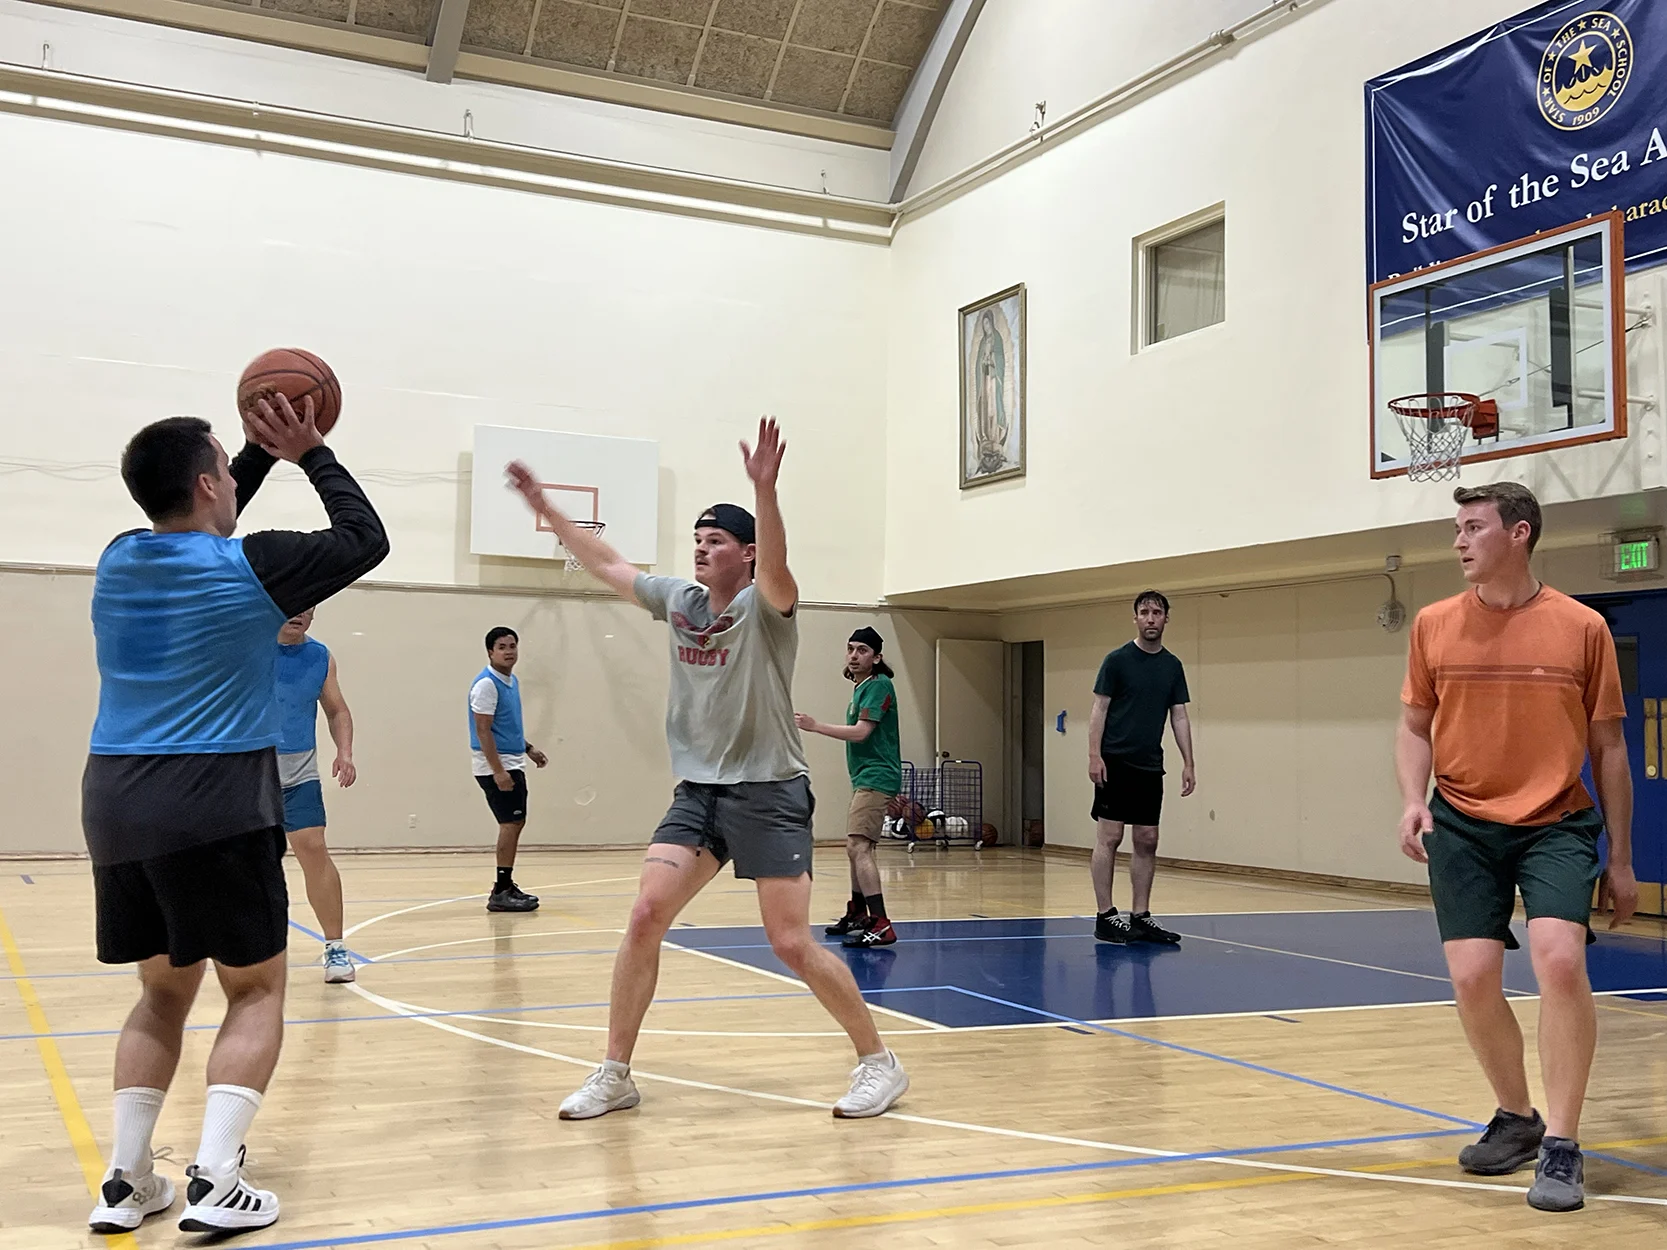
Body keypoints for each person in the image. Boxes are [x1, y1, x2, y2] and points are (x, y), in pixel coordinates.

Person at [505, 417, 908, 1120]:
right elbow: (607, 564)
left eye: (714, 542)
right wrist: (547, 511)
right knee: (642, 916)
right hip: (699, 792)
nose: (700, 551)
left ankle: (879, 1062)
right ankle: (614, 1073)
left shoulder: (766, 609)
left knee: (787, 942)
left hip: (769, 790)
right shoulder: (681, 603)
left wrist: (766, 490)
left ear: (745, 555)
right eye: (695, 542)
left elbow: (780, 569)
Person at [84, 395, 388, 1236]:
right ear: (210, 484)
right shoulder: (251, 567)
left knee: (160, 993)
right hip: (212, 797)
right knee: (254, 989)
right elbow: (366, 539)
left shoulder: (118, 557)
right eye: (226, 469)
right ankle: (216, 1178)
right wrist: (310, 452)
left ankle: (126, 1179)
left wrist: (248, 451)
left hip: (113, 803)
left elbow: (203, 518)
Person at [1396, 482, 1634, 1214]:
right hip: (1462, 822)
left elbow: (1609, 745)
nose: (1459, 542)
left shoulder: (1581, 627)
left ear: (1519, 533)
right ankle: (1516, 1117)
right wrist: (1412, 799)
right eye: (1456, 528)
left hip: (1555, 820)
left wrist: (1620, 860)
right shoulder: (1434, 624)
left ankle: (1561, 1144)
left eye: (1473, 527)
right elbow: (1412, 725)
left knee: (1559, 958)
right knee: (1471, 978)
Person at [1086, 589, 1196, 945]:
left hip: (1150, 765)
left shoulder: (1172, 666)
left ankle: (1141, 915)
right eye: (1144, 612)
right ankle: (1105, 916)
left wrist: (1188, 761)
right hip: (1115, 762)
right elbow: (1099, 709)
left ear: (1166, 619)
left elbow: (1179, 715)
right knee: (1111, 837)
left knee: (1147, 839)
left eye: (1157, 613)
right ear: (1135, 618)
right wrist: (1094, 755)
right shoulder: (1117, 660)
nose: (1151, 618)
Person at [796, 626, 904, 948]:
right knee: (854, 848)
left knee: (859, 847)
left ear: (877, 657)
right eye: (851, 649)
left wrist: (816, 727)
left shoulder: (879, 685)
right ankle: (858, 912)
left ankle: (881, 923)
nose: (855, 655)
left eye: (863, 650)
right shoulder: (861, 687)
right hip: (864, 776)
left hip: (876, 776)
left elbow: (861, 733)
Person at [274, 608, 357, 983]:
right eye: (292, 604)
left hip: (299, 773)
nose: (299, 613)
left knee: (312, 846)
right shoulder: (246, 647)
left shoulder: (320, 656)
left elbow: (337, 710)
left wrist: (345, 753)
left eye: (307, 608)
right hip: (246, 775)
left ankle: (336, 948)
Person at [470, 626, 549, 912]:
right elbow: (483, 731)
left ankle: (505, 884)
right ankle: (501, 890)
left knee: (516, 822)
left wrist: (528, 749)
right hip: (497, 765)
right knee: (510, 823)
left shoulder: (509, 681)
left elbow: (506, 727)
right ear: (490, 651)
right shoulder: (486, 685)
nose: (509, 651)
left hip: (512, 760)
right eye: (502, 647)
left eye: (512, 645)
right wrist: (498, 771)